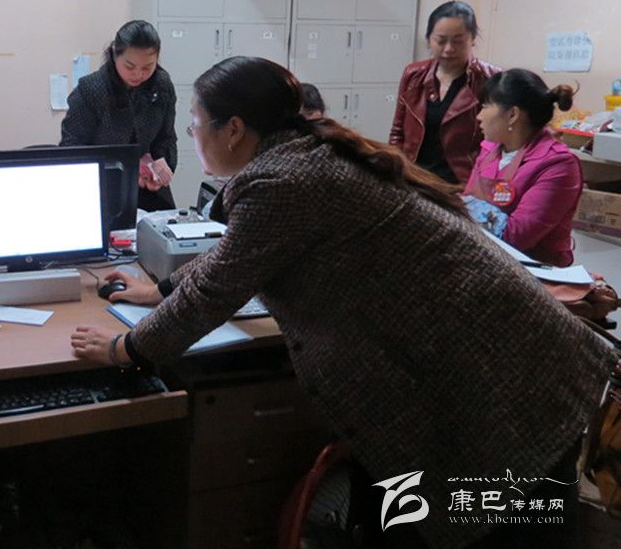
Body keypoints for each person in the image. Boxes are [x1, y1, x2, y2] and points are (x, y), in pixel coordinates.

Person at [70, 56, 611, 549]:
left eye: (194, 123)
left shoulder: (280, 180)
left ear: (233, 129)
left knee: (502, 532)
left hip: (510, 384)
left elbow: (215, 291)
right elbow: (236, 259)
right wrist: (159, 290)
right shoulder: (304, 156)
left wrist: (125, 349)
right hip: (495, 368)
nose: (191, 135)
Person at [463, 69, 582, 267]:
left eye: (485, 107)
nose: (479, 116)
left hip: (533, 270)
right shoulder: (490, 150)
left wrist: (461, 206)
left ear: (512, 115)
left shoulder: (559, 164)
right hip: (485, 258)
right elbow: (465, 204)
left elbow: (515, 235)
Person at [60, 20, 177, 211]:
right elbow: (72, 149)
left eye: (147, 67)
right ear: (115, 54)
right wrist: (127, 167)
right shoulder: (91, 90)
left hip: (148, 189)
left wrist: (161, 163)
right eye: (130, 66)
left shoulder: (161, 85)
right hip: (102, 187)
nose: (138, 74)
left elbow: (166, 137)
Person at [389, 1, 500, 184]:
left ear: (472, 38)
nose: (449, 49)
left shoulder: (490, 78)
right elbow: (398, 132)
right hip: (414, 178)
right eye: (440, 40)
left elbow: (498, 141)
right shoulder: (413, 74)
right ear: (429, 39)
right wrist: (395, 172)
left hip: (463, 183)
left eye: (458, 41)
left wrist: (480, 184)